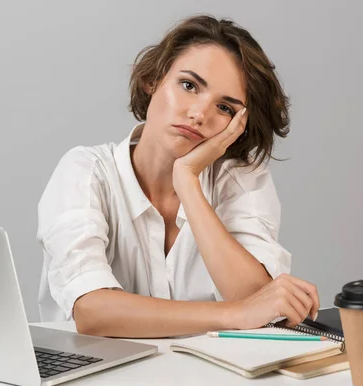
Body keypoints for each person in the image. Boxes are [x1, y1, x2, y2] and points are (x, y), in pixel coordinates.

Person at [37, 15, 319, 338]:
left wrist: (187, 181)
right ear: (153, 80)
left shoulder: (239, 180)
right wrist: (232, 314)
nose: (199, 114)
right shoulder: (84, 173)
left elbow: (261, 304)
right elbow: (91, 311)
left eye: (225, 108)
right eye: (189, 86)